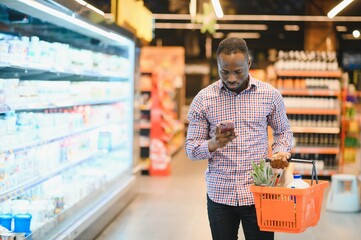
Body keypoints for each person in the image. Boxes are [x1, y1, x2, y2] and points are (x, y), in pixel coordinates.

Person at [185, 37, 293, 240]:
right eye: (224, 72)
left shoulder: (270, 95)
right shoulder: (203, 99)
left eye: (238, 71)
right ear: (217, 66)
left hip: (259, 193)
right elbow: (191, 149)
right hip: (220, 195)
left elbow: (283, 131)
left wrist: (281, 151)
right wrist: (213, 144)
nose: (232, 78)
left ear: (249, 64)